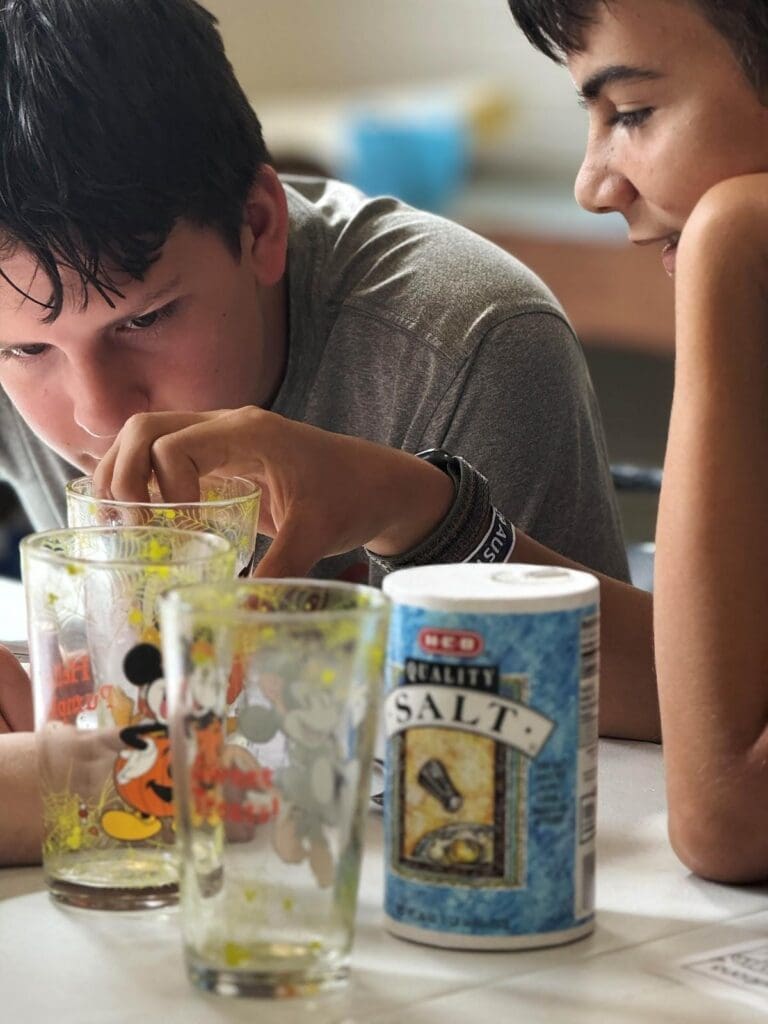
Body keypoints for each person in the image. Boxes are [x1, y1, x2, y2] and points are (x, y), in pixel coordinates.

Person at [0, 0, 648, 865]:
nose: (101, 416)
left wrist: (429, 514)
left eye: (145, 319)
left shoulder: (461, 341)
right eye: (27, 349)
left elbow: (642, 715)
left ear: (261, 226)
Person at [507, 0, 768, 883]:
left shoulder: (733, 245)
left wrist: (728, 242)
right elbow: (713, 691)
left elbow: (732, 815)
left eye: (632, 114)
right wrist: (417, 507)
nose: (593, 185)